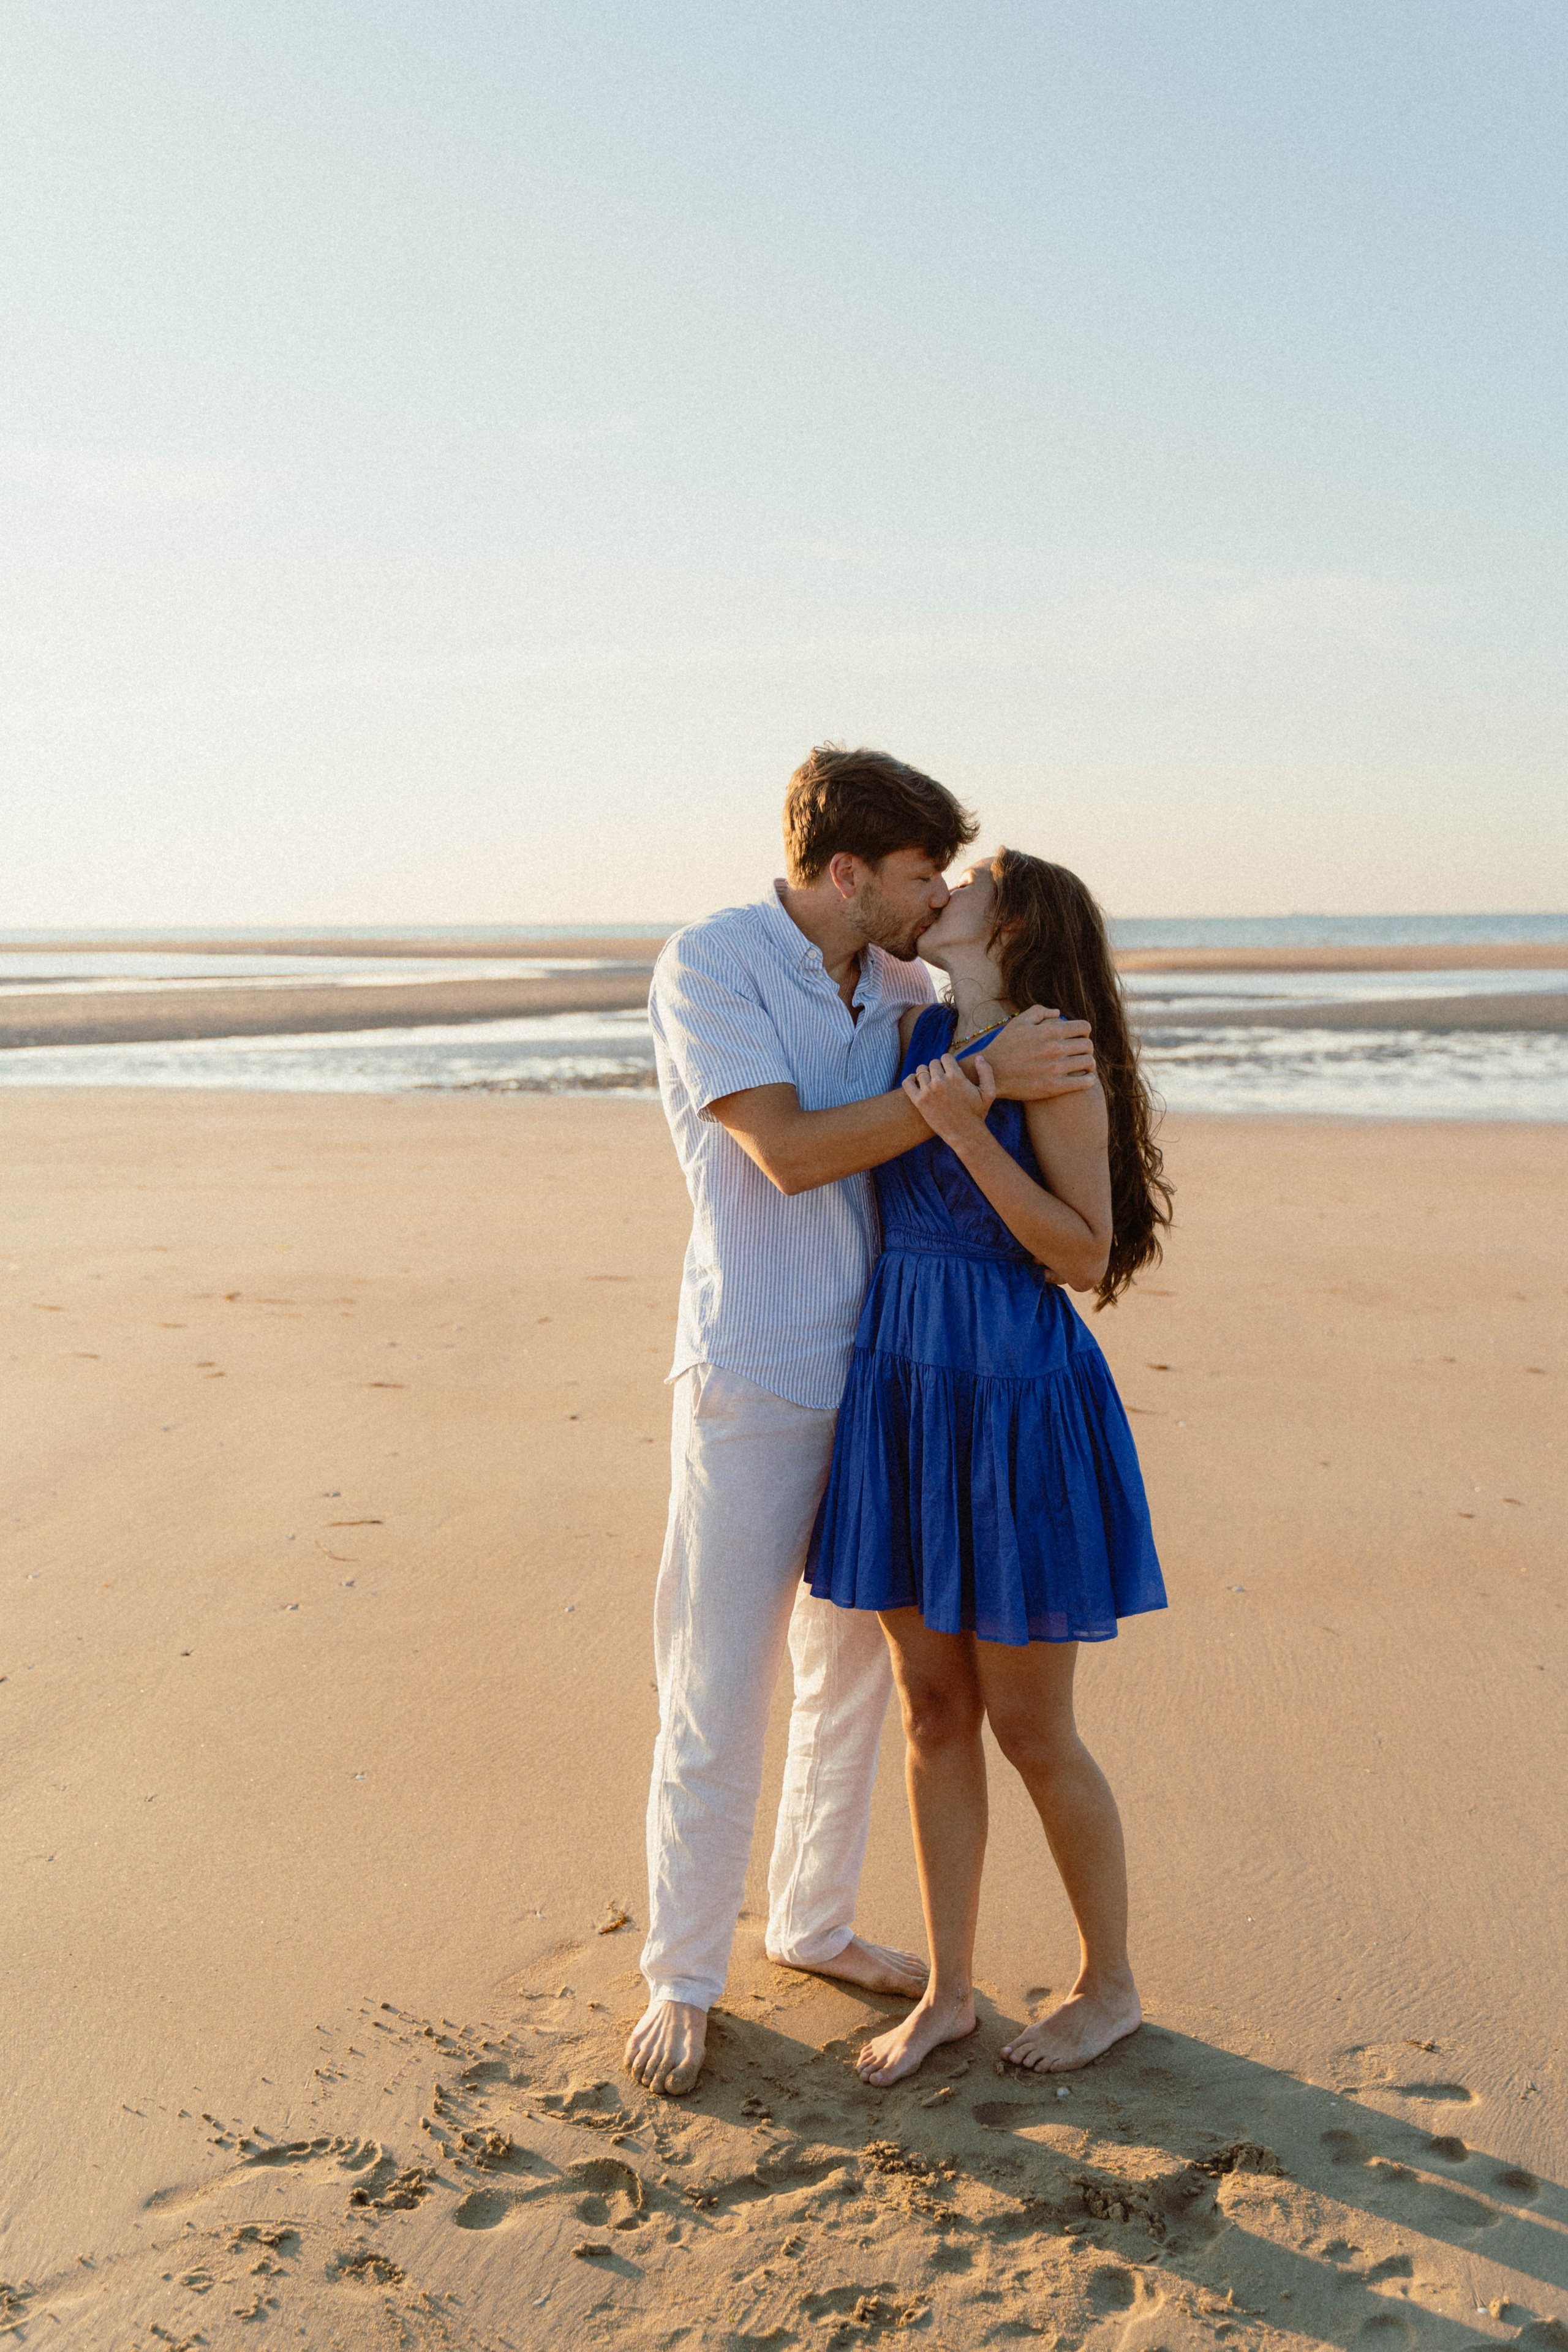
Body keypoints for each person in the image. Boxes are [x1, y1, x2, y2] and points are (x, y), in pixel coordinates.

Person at [625, 751, 1100, 2098]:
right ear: (847, 873)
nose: (936, 894)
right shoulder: (710, 965)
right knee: (715, 1674)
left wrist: (1001, 1074)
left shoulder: (903, 990)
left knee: (855, 1682)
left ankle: (813, 1921)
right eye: (915, 874)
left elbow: (1037, 1128)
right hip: (755, 1370)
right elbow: (784, 1153)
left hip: (891, 1381)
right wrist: (972, 1089)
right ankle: (683, 1970)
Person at [806, 847, 1172, 2086]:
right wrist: (949, 1095)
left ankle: (1108, 1985)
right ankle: (949, 1992)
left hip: (1011, 1400)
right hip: (904, 1388)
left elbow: (1080, 1253)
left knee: (1030, 1726)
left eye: (972, 876)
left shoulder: (1056, 1055)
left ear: (1013, 924)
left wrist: (966, 1131)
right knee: (932, 1709)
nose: (945, 884)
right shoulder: (913, 1033)